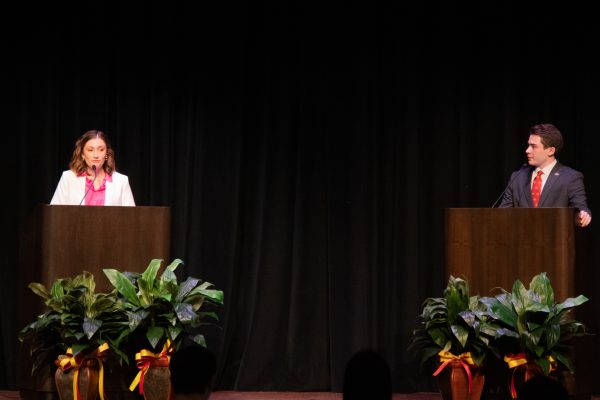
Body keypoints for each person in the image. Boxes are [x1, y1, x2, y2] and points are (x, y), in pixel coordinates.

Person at [498, 123, 591, 227]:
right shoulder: (518, 176)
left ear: (550, 150)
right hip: (520, 240)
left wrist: (582, 216)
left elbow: (580, 208)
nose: (527, 150)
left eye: (533, 146)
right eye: (528, 145)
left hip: (555, 240)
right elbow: (502, 213)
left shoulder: (570, 177)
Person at [50, 130, 135, 206]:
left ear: (106, 154)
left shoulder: (121, 181)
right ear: (82, 154)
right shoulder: (68, 178)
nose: (96, 155)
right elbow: (55, 214)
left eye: (101, 150)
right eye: (90, 150)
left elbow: (131, 217)